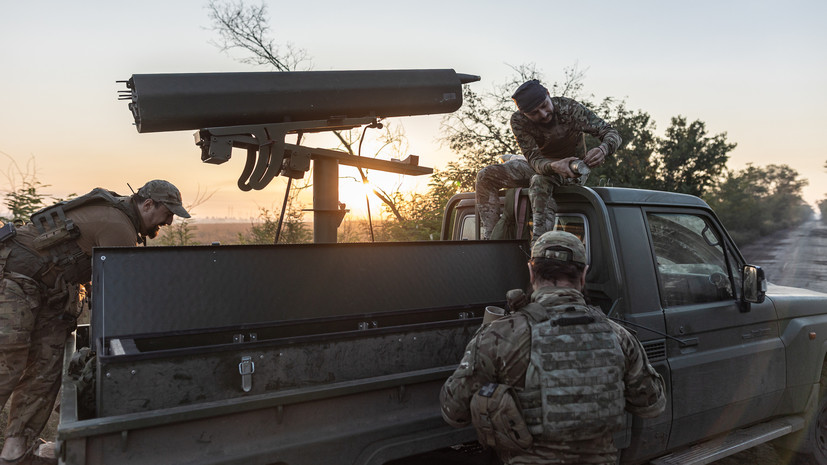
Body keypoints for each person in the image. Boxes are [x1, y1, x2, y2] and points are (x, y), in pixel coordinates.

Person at [0, 180, 190, 463]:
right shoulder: (119, 227)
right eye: (168, 213)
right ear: (148, 205)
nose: (170, 221)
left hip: (48, 291)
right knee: (8, 361)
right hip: (14, 277)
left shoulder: (121, 218)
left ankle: (15, 449)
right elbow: (122, 293)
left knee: (46, 368)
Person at [440, 230, 666, 465]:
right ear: (584, 275)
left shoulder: (500, 335)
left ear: (530, 272)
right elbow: (651, 404)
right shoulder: (619, 336)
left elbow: (453, 411)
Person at [475, 80, 622, 241]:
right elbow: (533, 159)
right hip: (541, 165)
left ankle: (540, 248)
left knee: (540, 181)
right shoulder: (519, 121)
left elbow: (611, 132)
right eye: (534, 113)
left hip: (572, 169)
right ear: (524, 113)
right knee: (485, 176)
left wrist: (603, 149)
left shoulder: (570, 109)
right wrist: (552, 165)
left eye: (544, 106)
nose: (543, 114)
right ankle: (490, 241)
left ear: (548, 94)